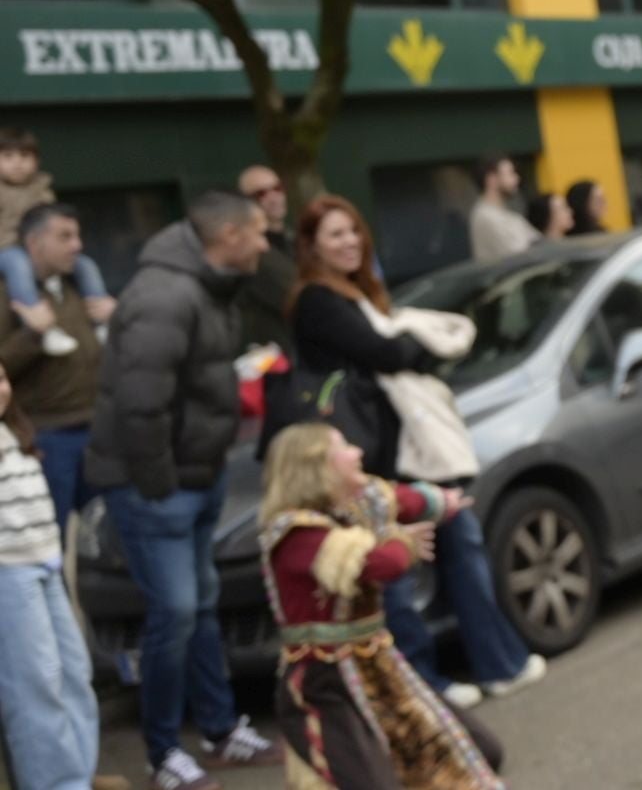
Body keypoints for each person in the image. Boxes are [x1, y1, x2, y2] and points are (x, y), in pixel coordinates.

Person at [289, 195, 544, 710]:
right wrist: (421, 347)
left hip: (405, 454)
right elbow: (387, 353)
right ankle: (428, 684)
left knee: (458, 549)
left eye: (353, 231)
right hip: (371, 460)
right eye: (334, 234)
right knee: (399, 574)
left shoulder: (362, 294)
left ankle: (496, 664)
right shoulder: (318, 300)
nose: (348, 242)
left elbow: (391, 351)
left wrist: (408, 347)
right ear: (311, 245)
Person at [83, 191, 282, 788]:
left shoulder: (206, 286)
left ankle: (220, 732)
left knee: (199, 606)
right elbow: (140, 406)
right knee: (173, 612)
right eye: (257, 232)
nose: (265, 243)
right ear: (226, 236)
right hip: (157, 487)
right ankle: (163, 751)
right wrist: (160, 488)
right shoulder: (167, 295)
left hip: (196, 475)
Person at [258, 423, 504, 788]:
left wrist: (444, 502)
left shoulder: (356, 505)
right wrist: (399, 540)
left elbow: (402, 499)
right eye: (342, 447)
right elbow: (380, 563)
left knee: (477, 755)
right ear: (316, 467)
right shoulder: (296, 533)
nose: (357, 452)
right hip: (321, 684)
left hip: (377, 665)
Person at [0, 364, 132, 790]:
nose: (0, 389)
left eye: (2, 379)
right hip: (8, 570)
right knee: (34, 684)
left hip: (45, 562)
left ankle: (78, 769)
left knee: (73, 672)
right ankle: (56, 783)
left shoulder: (15, 435)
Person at [0, 203, 103, 531]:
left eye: (78, 235)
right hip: (46, 436)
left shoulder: (76, 287)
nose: (77, 245)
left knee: (105, 533)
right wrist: (33, 335)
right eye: (65, 236)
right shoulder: (7, 298)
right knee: (49, 539)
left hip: (95, 429)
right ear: (34, 243)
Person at [0, 126, 115, 357]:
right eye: (8, 156)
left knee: (86, 264)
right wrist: (33, 334)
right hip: (7, 249)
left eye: (25, 156)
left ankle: (101, 321)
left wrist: (115, 314)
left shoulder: (42, 189)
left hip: (91, 386)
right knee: (18, 264)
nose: (17, 163)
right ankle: (38, 320)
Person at [235, 165, 297, 354]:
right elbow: (301, 298)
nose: (273, 197)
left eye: (277, 188)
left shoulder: (295, 241)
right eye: (261, 193)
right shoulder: (249, 253)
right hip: (282, 360)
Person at [469, 154, 541, 263]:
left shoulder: (509, 215)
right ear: (491, 179)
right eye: (510, 173)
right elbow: (519, 257)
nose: (517, 178)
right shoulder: (485, 217)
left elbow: (541, 243)